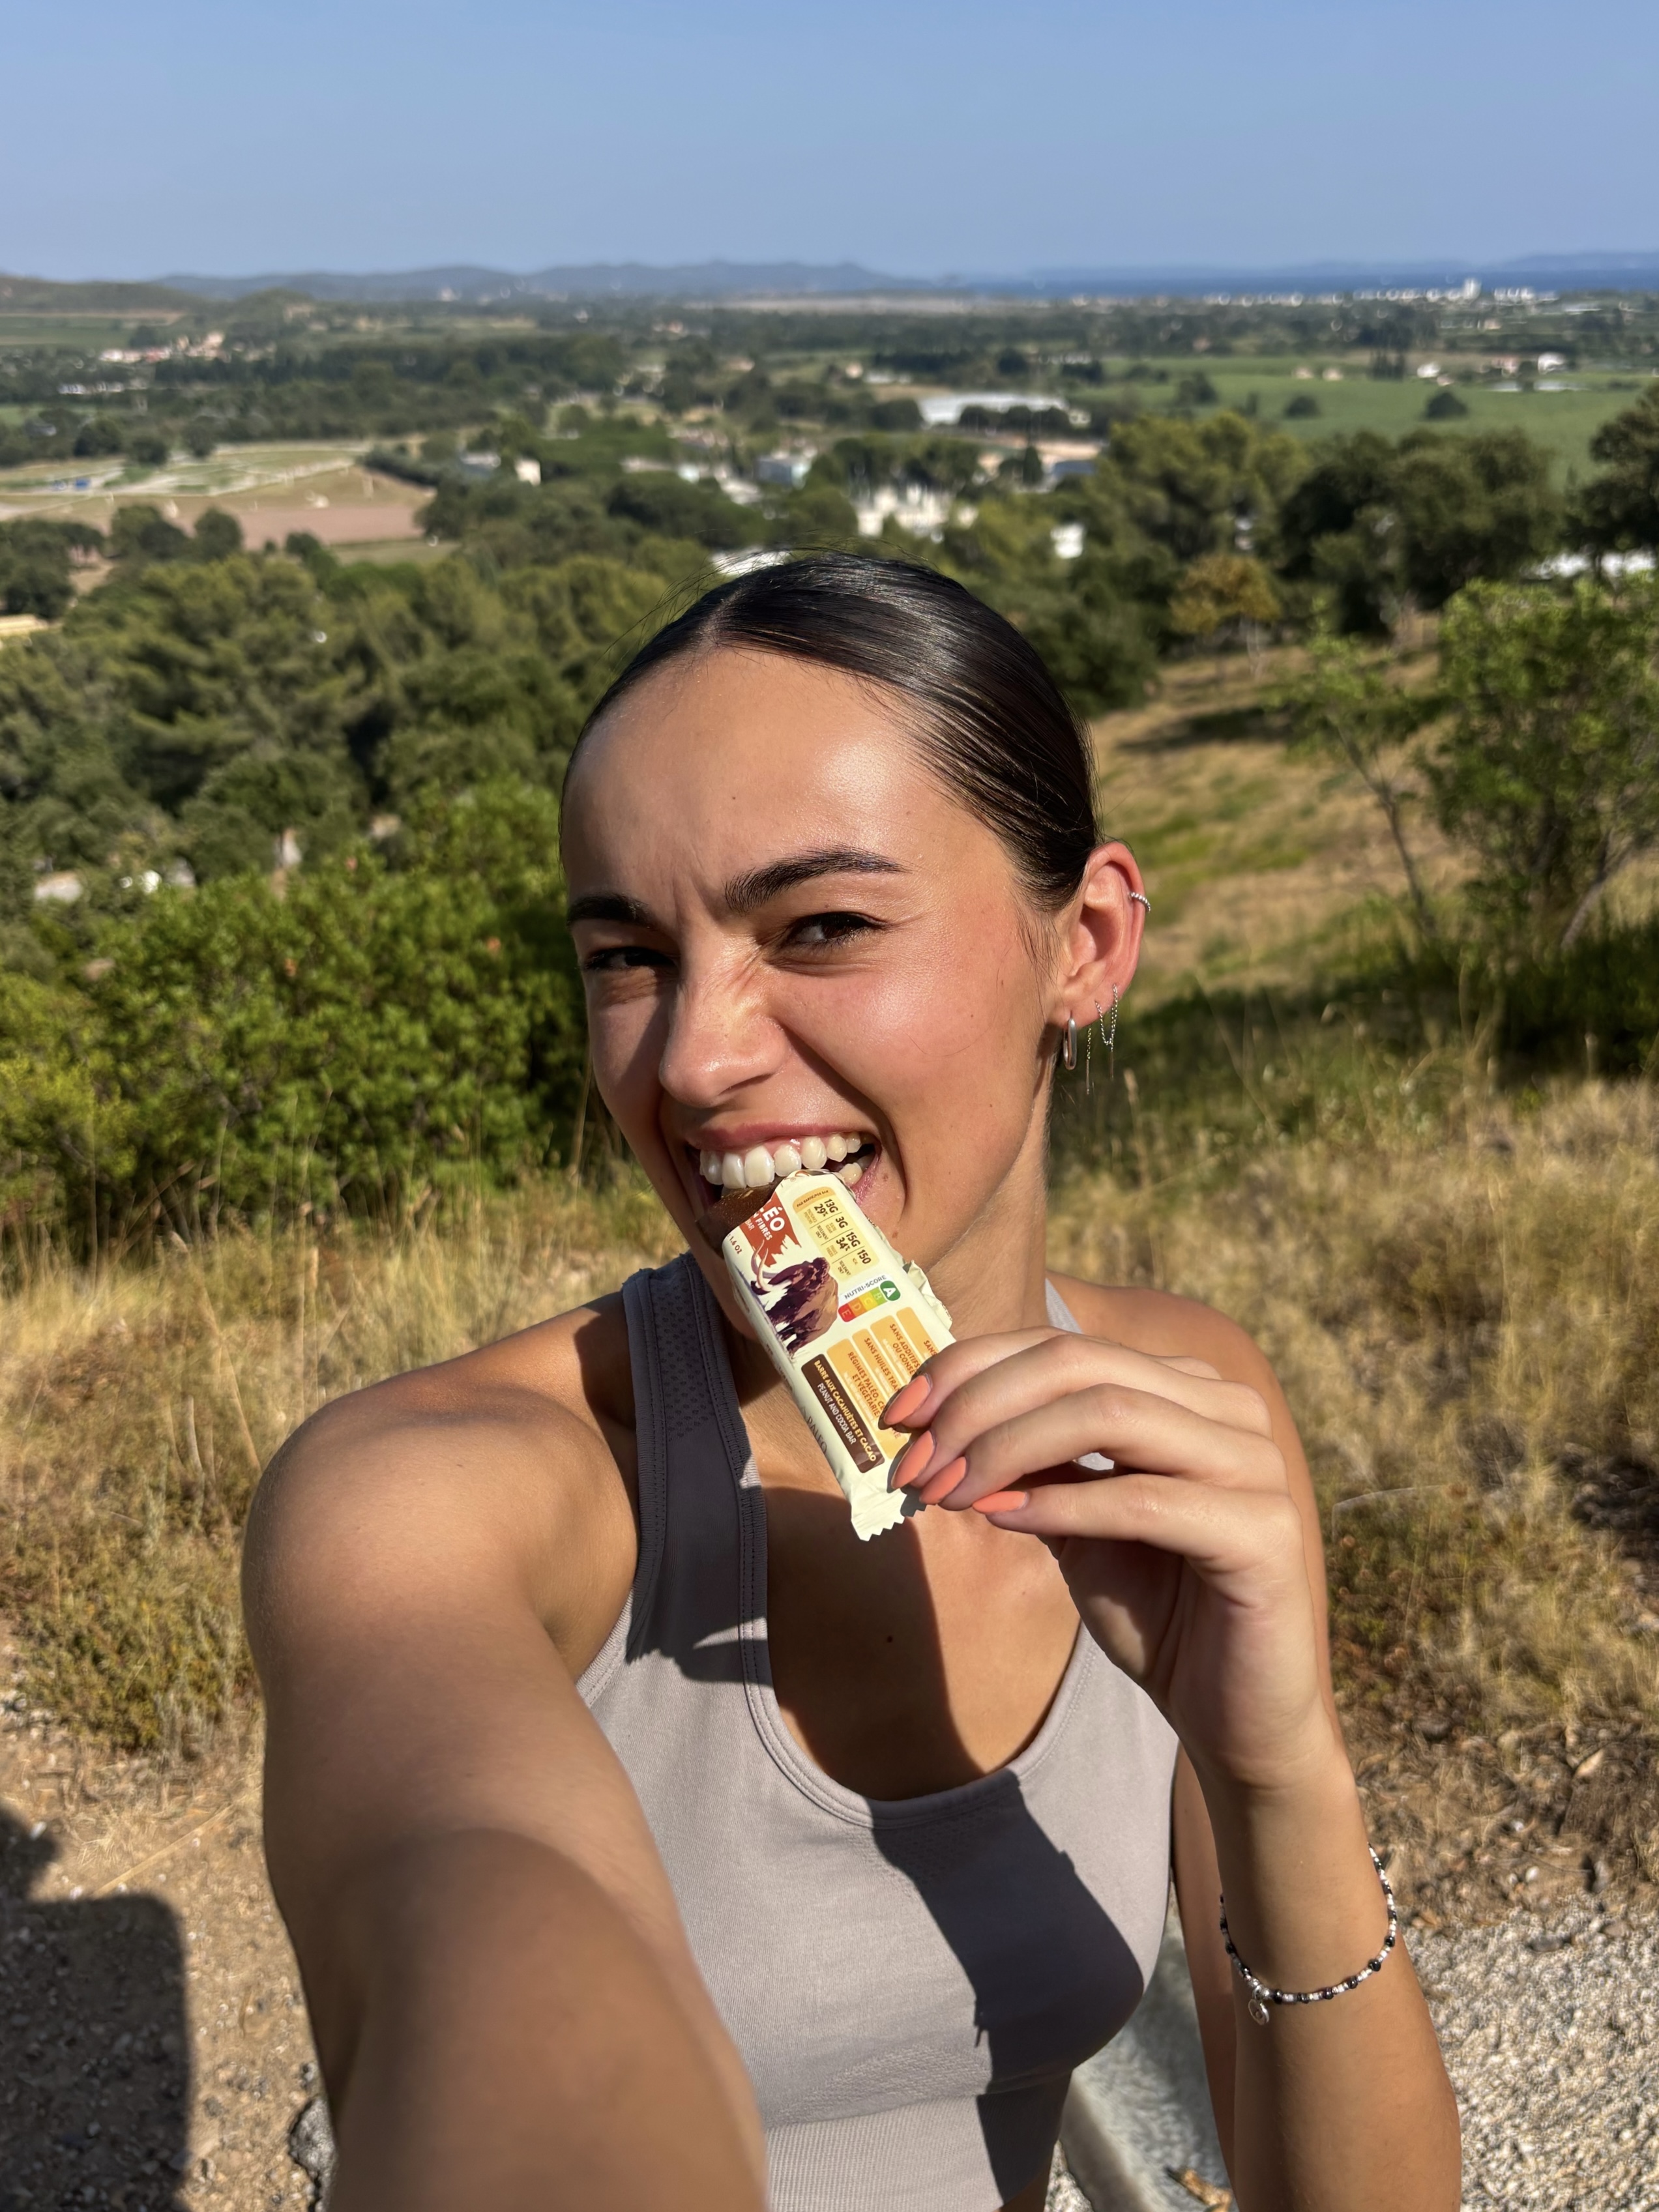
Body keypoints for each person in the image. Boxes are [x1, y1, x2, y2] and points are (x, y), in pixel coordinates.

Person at [246, 553, 1460, 2212]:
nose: (688, 1058)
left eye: (818, 925)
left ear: (1087, 942)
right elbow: (484, 1912)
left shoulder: (1175, 1403)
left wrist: (1280, 1774)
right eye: (625, 955)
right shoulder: (431, 1489)